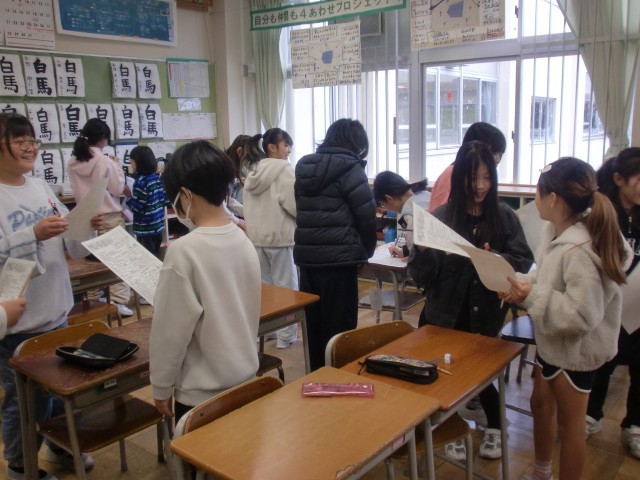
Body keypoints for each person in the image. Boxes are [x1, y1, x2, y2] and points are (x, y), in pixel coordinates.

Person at [500, 157, 630, 480]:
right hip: (552, 342)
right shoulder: (556, 231)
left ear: (553, 199)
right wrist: (517, 283)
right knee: (540, 404)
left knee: (571, 426)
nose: (535, 199)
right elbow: (544, 276)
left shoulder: (579, 250)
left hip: (575, 351)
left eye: (538, 192)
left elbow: (582, 315)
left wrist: (530, 295)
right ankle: (541, 472)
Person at [408, 141, 534, 461]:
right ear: (460, 177)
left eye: (487, 177)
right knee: (447, 374)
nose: (480, 186)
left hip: (486, 314)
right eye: (472, 177)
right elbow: (421, 277)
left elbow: (523, 260)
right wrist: (421, 251)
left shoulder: (504, 217)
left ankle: (496, 426)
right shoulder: (441, 217)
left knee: (482, 373)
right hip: (444, 314)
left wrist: (495, 259)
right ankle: (454, 425)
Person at [0, 113, 100, 480]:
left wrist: (85, 226)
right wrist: (32, 233)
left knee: (59, 390)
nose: (30, 147)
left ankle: (59, 444)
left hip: (56, 309)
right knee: (24, 402)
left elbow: (69, 242)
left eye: (32, 140)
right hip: (18, 322)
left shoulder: (40, 186)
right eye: (19, 141)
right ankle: (20, 467)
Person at [150, 140, 261, 423]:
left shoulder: (183, 251)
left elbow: (169, 332)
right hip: (246, 380)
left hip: (201, 396)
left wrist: (161, 386)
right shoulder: (242, 238)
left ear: (185, 195)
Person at [294, 118, 377, 371]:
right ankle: (340, 379)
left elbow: (301, 211)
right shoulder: (352, 169)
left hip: (308, 261)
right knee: (340, 329)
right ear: (357, 144)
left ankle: (317, 378)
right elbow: (367, 217)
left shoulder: (304, 168)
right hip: (340, 262)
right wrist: (365, 253)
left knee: (314, 326)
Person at [584, 147, 640, 459]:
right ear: (619, 179)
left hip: (639, 307)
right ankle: (591, 415)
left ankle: (634, 425)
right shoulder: (603, 213)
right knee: (603, 361)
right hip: (609, 303)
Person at [67, 118, 133, 317]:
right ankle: (118, 302)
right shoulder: (105, 161)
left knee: (92, 263)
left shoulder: (72, 162)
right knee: (120, 260)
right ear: (103, 138)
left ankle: (94, 302)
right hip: (109, 216)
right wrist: (118, 168)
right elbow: (117, 188)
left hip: (86, 217)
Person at [243, 128, 298, 349]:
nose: (289, 150)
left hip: (257, 239)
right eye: (286, 145)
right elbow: (293, 205)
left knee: (265, 289)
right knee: (286, 287)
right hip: (280, 238)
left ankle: (268, 331)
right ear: (272, 147)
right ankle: (286, 335)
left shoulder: (253, 172)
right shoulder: (284, 170)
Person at [429, 122, 506, 212]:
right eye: (493, 152)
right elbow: (438, 216)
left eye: (500, 154)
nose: (497, 158)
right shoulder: (452, 173)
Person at [373, 172, 431, 260]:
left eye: (384, 206)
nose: (387, 209)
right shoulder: (426, 195)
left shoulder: (409, 215)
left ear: (389, 198)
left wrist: (412, 259)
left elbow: (422, 258)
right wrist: (405, 252)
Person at [124, 146, 169, 258]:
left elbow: (137, 208)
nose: (131, 164)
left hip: (145, 230)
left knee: (147, 258)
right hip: (158, 227)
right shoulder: (157, 178)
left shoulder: (140, 182)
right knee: (155, 254)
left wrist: (128, 196)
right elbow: (165, 200)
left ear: (139, 163)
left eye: (132, 161)